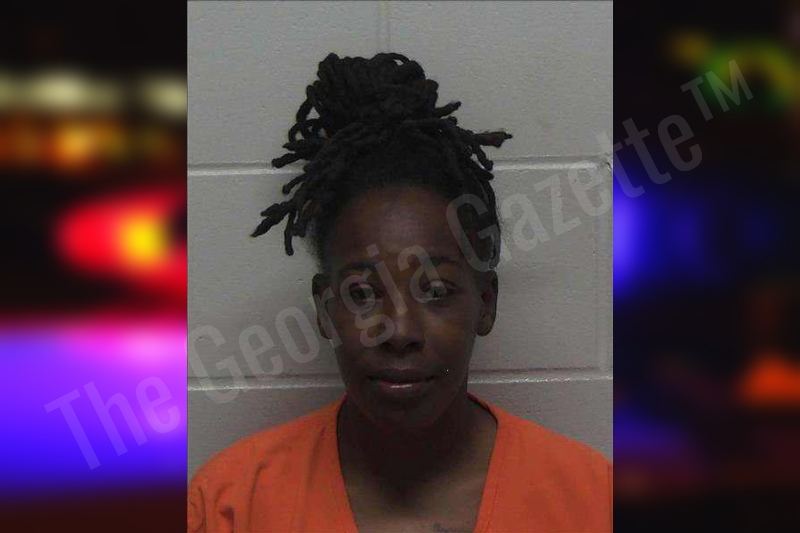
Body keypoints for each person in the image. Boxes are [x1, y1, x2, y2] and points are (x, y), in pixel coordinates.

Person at [188, 52, 611, 533]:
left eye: (436, 290)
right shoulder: (231, 504)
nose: (400, 330)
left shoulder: (592, 499)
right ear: (325, 309)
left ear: (486, 302)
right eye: (363, 293)